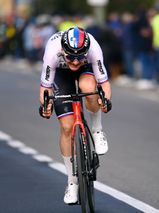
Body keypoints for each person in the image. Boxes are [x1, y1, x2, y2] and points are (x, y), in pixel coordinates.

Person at [38, 26, 112, 204]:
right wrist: (45, 106)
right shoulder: (52, 51)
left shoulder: (93, 47)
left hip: (87, 72)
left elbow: (104, 83)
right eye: (71, 57)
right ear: (63, 50)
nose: (76, 62)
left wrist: (106, 101)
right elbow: (45, 88)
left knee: (90, 89)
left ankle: (97, 130)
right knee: (66, 127)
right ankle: (72, 182)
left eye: (80, 57)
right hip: (60, 76)